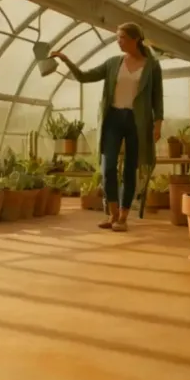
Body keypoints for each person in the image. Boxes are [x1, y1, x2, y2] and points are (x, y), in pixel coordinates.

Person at [50, 22, 163, 232]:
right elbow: (84, 77)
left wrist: (158, 124)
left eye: (121, 38)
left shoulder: (152, 66)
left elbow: (157, 97)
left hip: (137, 121)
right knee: (108, 166)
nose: (118, 42)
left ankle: (123, 217)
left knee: (131, 169)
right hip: (113, 119)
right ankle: (112, 214)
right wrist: (66, 61)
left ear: (135, 39)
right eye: (117, 38)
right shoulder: (113, 63)